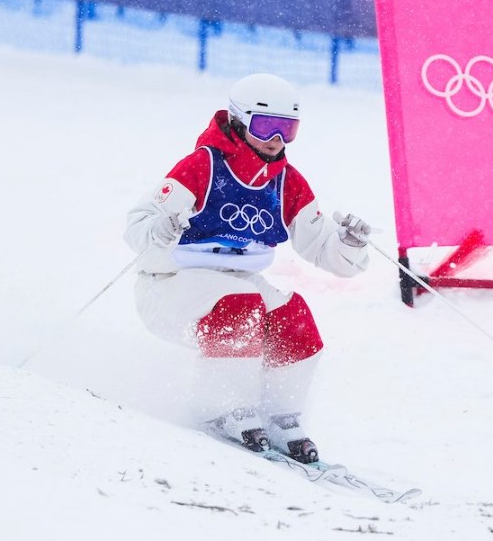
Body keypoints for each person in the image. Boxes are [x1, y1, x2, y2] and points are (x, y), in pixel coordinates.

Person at [124, 73, 372, 464]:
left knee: (294, 316)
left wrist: (348, 245)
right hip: (172, 282)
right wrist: (161, 228)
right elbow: (138, 226)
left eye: (287, 130)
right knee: (241, 305)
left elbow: (321, 244)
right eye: (266, 127)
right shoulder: (203, 166)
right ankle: (225, 407)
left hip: (237, 281)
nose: (277, 140)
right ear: (240, 122)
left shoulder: (285, 181)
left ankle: (280, 415)